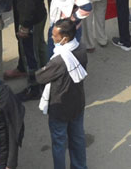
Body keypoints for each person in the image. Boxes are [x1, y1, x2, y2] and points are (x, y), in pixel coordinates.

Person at [34, 19, 87, 169]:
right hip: (77, 103)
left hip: (60, 107)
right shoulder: (81, 49)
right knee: (77, 138)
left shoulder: (58, 61)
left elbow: (40, 77)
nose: (52, 38)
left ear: (64, 38)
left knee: (59, 143)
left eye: (54, 36)